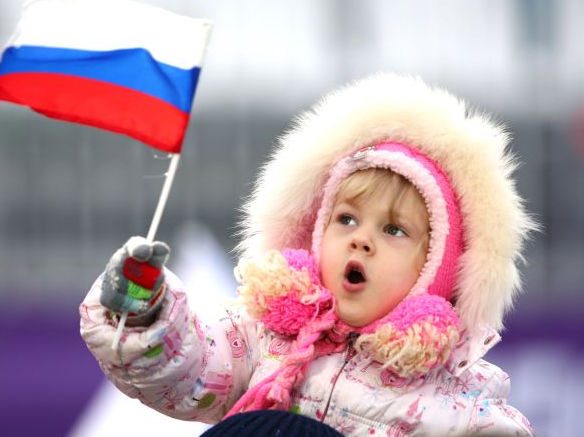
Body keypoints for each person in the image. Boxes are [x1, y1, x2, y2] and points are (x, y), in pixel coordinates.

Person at [80, 74, 537, 436]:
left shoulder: (455, 400)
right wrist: (145, 312)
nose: (361, 241)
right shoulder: (265, 338)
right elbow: (187, 367)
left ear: (435, 271)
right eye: (346, 219)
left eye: (394, 229)